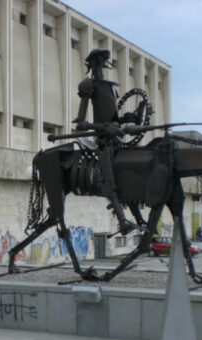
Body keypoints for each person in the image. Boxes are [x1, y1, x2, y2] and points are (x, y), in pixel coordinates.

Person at [72, 48, 135, 235]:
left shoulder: (110, 87)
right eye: (99, 60)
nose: (102, 64)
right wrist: (104, 128)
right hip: (104, 144)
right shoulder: (88, 85)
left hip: (117, 142)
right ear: (92, 63)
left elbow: (114, 119)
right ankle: (123, 221)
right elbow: (82, 124)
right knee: (111, 181)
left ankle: (138, 218)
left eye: (104, 60)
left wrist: (127, 119)